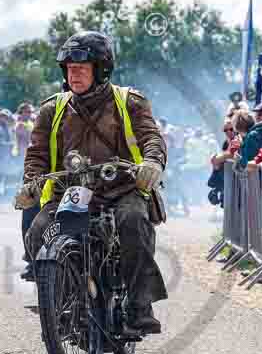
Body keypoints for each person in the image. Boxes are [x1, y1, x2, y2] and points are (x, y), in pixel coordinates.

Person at [15, 31, 168, 335]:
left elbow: (151, 137)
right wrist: (31, 184)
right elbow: (37, 153)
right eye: (70, 69)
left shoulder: (129, 102)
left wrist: (152, 163)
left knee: (133, 221)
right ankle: (60, 302)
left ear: (101, 69)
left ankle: (139, 305)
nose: (74, 75)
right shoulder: (52, 109)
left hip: (121, 189)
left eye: (82, 68)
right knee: (38, 232)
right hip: (72, 192)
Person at [235, 104, 262, 169]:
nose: (257, 117)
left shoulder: (252, 135)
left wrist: (241, 148)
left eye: (260, 114)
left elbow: (246, 164)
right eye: (257, 114)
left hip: (259, 173)